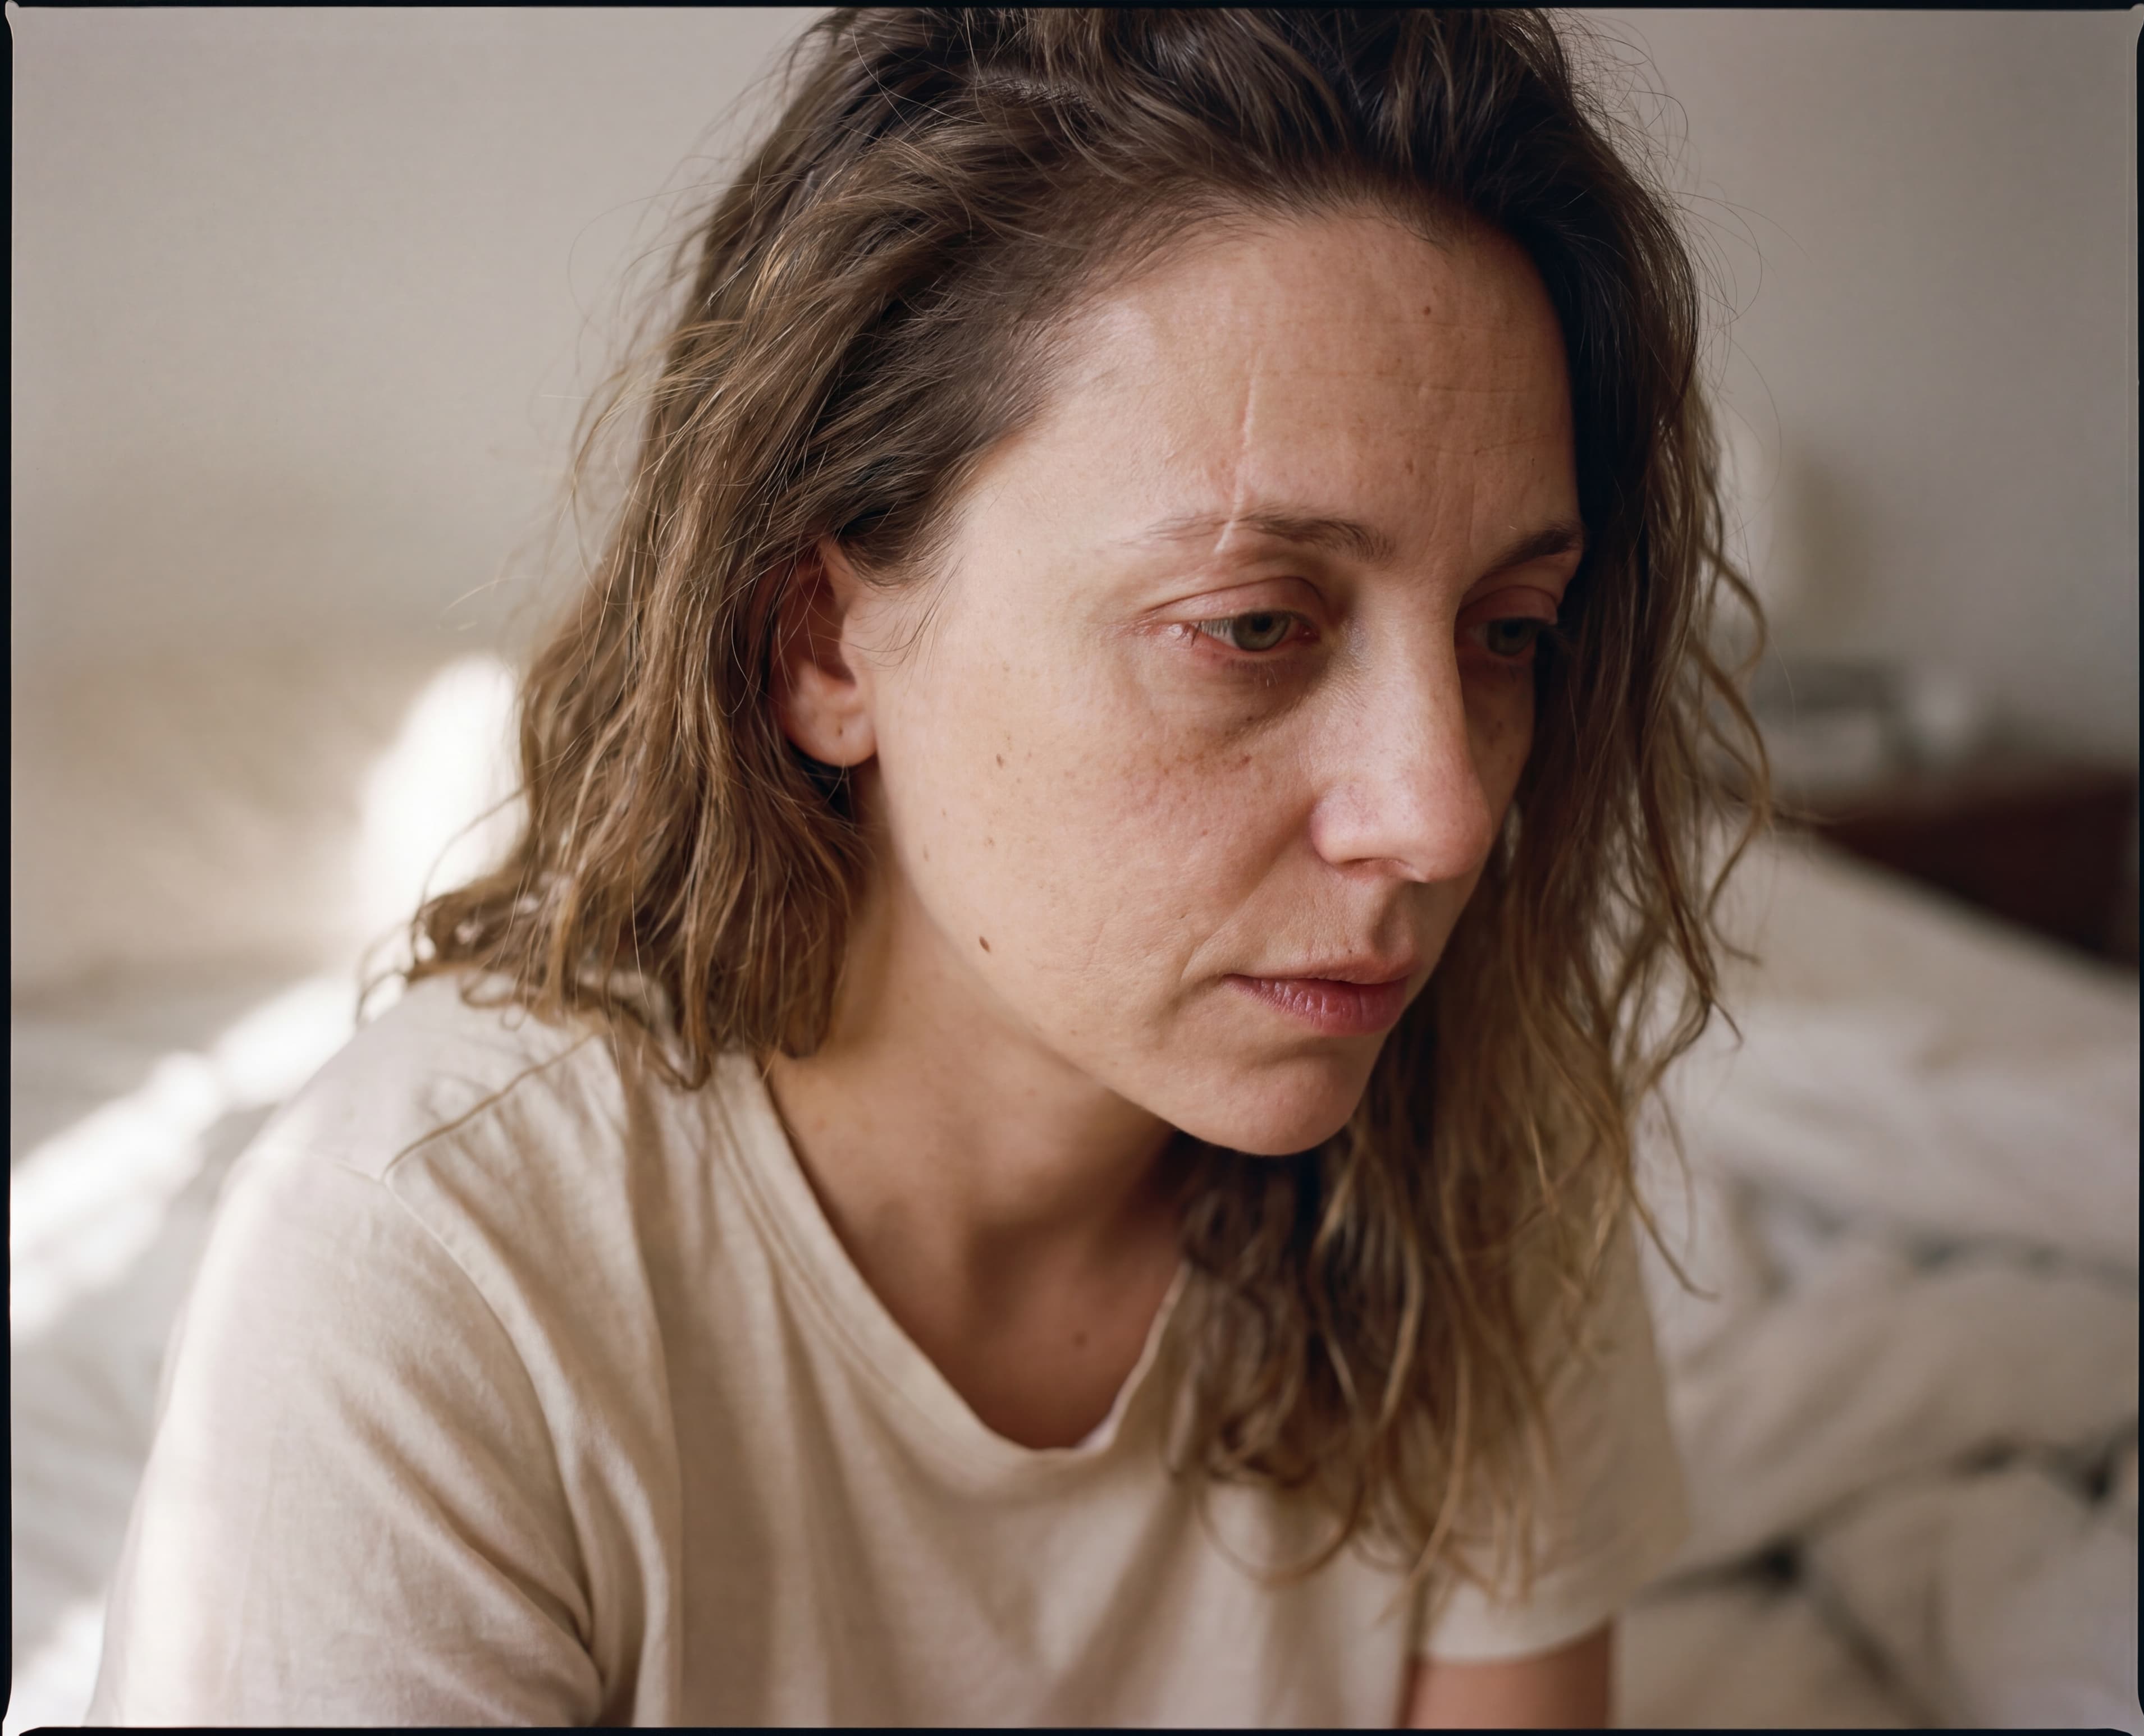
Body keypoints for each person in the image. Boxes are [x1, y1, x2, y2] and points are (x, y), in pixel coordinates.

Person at [90, 8, 1765, 1725]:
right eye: (1254, 625)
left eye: (1508, 630)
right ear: (823, 645)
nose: (1443, 814)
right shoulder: (436, 1272)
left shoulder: (1473, 1149)